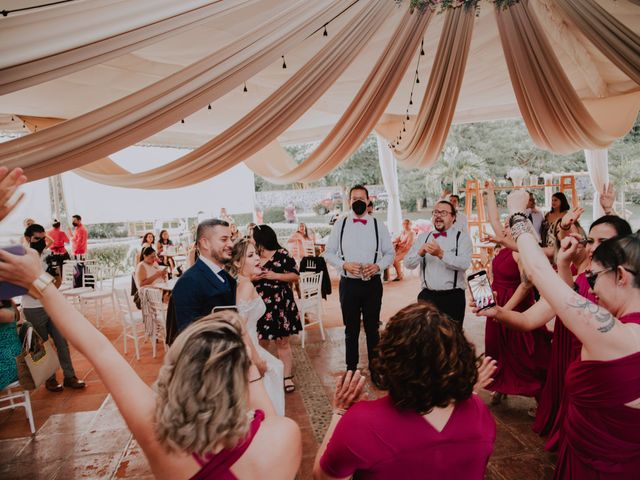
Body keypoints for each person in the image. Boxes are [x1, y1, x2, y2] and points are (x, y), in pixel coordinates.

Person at [0, 247, 302, 479]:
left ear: (181, 375)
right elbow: (256, 388)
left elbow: (100, 350)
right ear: (244, 367)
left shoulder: (163, 441)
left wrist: (38, 282)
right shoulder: (283, 435)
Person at [504, 189, 640, 479]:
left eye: (594, 277)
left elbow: (540, 272)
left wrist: (518, 215)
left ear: (621, 276)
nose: (591, 289)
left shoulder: (614, 334)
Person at [314, 303, 497, 480]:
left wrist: (339, 412)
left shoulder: (361, 422)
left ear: (390, 358)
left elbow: (323, 477)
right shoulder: (479, 414)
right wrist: (465, 390)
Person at [325, 185, 394, 373]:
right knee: (351, 330)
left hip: (372, 285)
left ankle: (375, 368)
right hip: (348, 285)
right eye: (354, 198)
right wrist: (343, 265)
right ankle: (351, 368)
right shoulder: (341, 224)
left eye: (361, 199)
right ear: (349, 202)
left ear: (368, 200)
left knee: (372, 329)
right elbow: (328, 253)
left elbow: (390, 254)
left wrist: (378, 266)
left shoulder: (378, 226)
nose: (357, 202)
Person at [22, 224, 85, 392]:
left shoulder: (49, 255)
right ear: (28, 238)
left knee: (62, 342)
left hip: (52, 304)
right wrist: (44, 282)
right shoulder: (22, 258)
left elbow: (56, 283)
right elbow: (28, 289)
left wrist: (55, 273)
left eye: (43, 238)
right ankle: (50, 380)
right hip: (33, 308)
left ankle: (69, 376)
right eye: (37, 238)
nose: (41, 242)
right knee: (43, 345)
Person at [230, 238, 285, 416]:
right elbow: (240, 327)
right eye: (251, 255)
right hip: (250, 349)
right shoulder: (245, 286)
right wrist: (256, 360)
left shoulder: (243, 282)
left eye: (256, 254)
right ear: (237, 262)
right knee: (274, 373)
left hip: (252, 345)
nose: (257, 259)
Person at [404, 200, 472, 328]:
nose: (438, 216)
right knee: (426, 339)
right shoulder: (423, 237)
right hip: (427, 297)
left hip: (453, 297)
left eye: (444, 213)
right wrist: (420, 253)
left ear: (453, 218)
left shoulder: (462, 238)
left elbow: (464, 264)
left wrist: (441, 254)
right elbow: (408, 264)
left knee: (453, 339)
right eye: (436, 212)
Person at [252, 225, 301, 393]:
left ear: (261, 239)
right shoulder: (253, 256)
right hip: (259, 307)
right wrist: (253, 277)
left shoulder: (283, 254)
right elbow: (242, 276)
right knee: (260, 343)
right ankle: (260, 375)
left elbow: (295, 276)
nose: (251, 240)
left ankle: (287, 377)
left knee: (283, 343)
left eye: (253, 238)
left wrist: (276, 276)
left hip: (281, 305)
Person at [172, 219, 235, 334]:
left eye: (231, 239)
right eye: (224, 239)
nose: (231, 244)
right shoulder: (188, 282)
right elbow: (190, 335)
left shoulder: (226, 276)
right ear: (205, 243)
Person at [0, 300, 21, 390]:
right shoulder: (9, 302)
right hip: (16, 359)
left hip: (8, 366)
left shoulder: (3, 314)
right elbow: (17, 317)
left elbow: (8, 316)